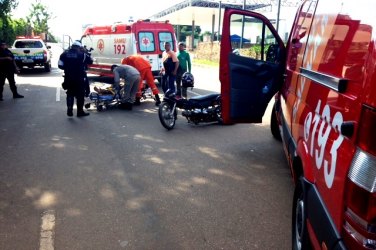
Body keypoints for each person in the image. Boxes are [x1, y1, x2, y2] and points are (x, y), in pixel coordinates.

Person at [58, 41, 92, 117]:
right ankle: (80, 112)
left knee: (70, 93)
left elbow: (60, 65)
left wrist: (68, 68)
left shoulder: (64, 54)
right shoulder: (82, 55)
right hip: (79, 77)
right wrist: (85, 52)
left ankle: (69, 110)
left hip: (68, 77)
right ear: (79, 47)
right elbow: (91, 61)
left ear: (72, 46)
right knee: (80, 94)